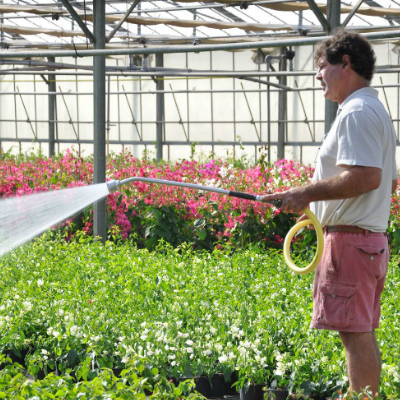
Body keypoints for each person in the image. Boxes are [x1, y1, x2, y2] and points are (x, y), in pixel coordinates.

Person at [262, 29, 398, 397]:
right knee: (360, 331)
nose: (317, 75)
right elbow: (390, 183)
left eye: (322, 66)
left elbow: (368, 177)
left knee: (355, 335)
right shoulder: (375, 110)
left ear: (346, 63)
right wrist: (319, 206)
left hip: (352, 243)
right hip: (365, 240)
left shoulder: (357, 112)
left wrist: (306, 193)